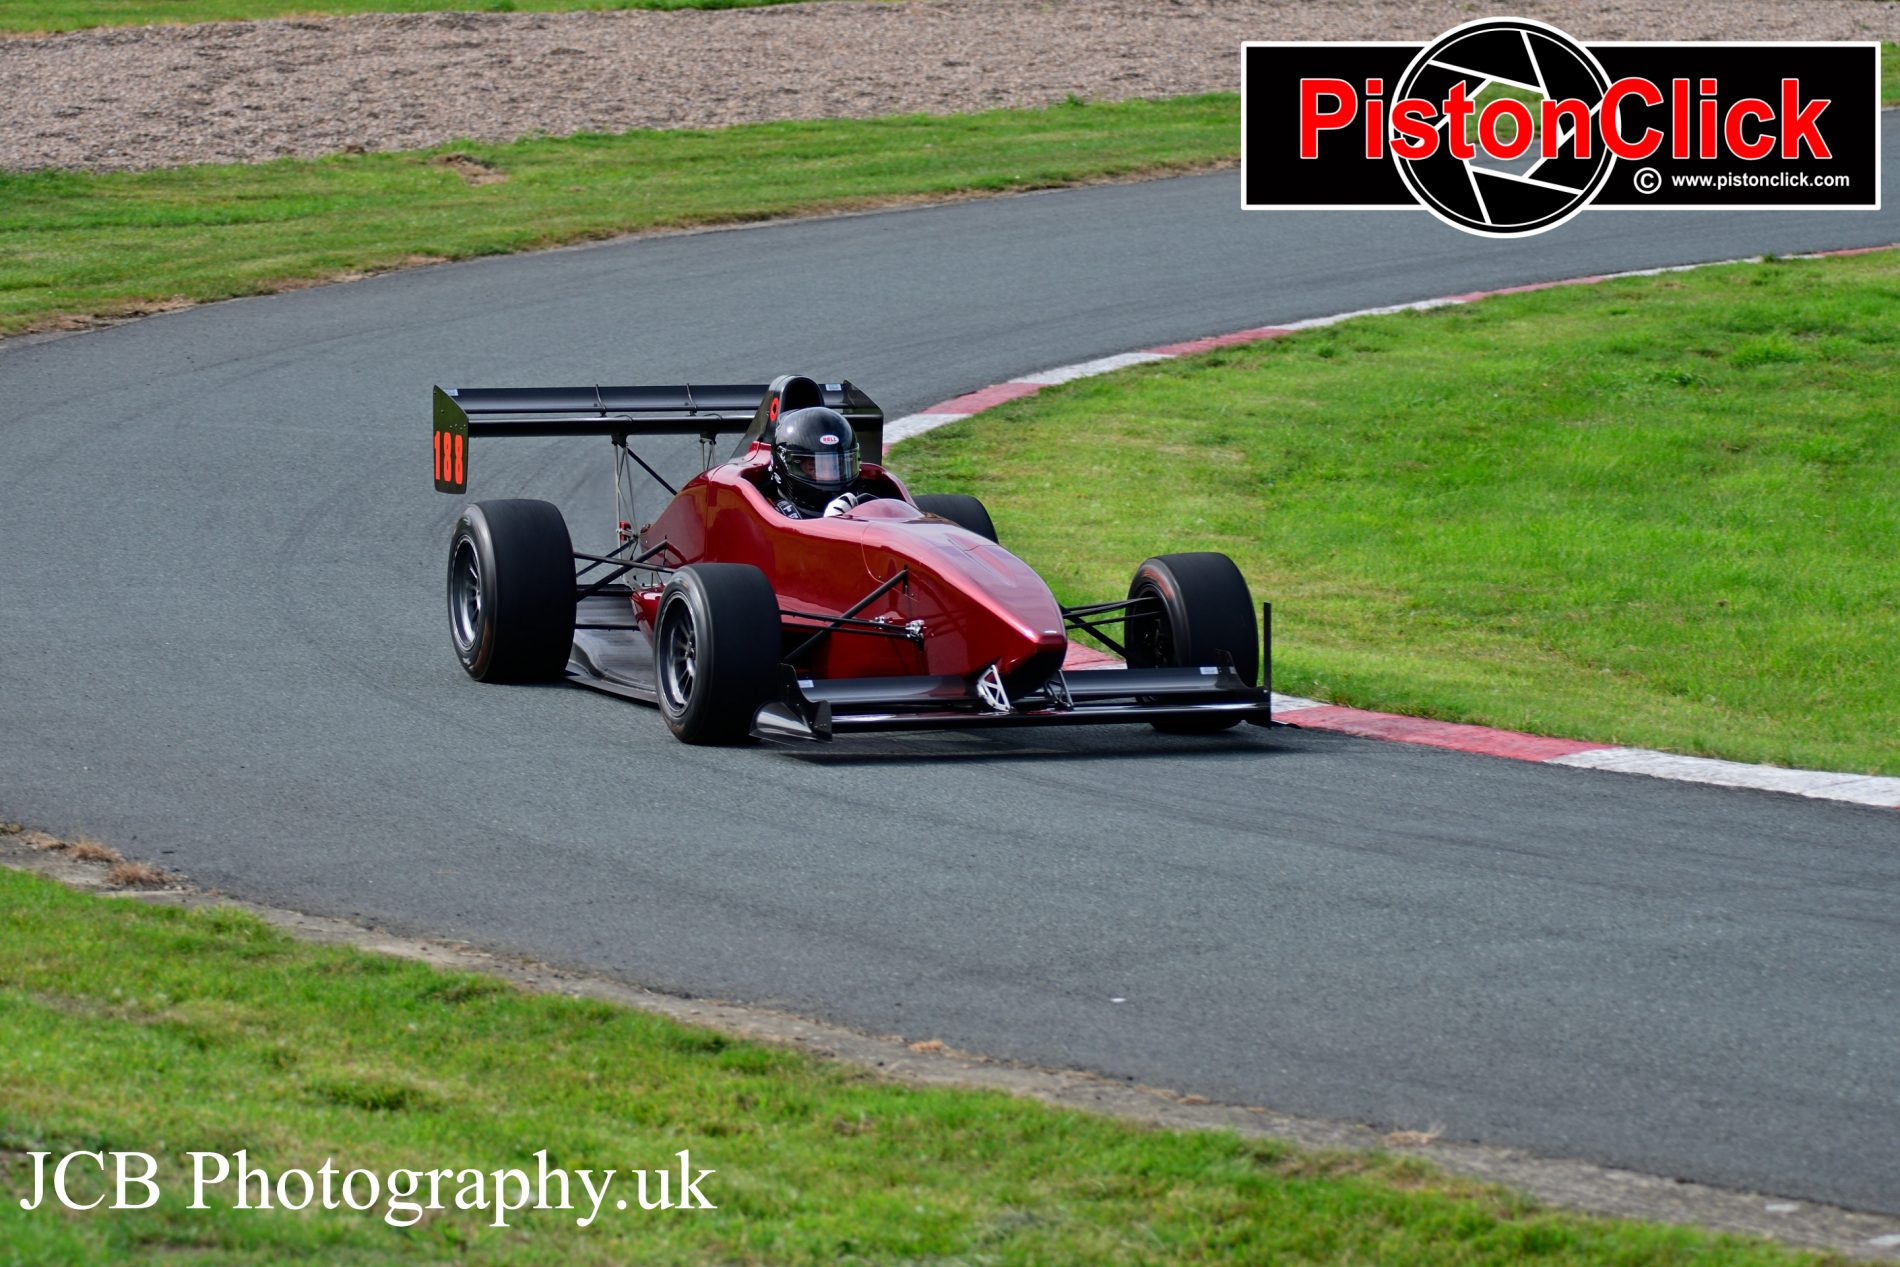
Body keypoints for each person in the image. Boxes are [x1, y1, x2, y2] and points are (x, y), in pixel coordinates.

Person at [769, 406, 876, 519]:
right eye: (814, 467)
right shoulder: (772, 514)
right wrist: (832, 524)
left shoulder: (863, 498)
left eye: (837, 466)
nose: (830, 475)